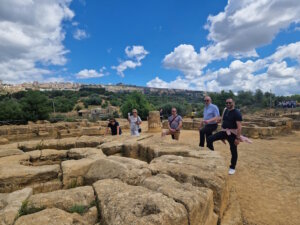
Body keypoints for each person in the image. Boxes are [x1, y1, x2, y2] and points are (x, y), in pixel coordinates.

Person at [207, 98, 242, 175]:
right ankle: (212, 157)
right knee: (209, 139)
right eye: (227, 103)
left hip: (232, 134)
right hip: (224, 132)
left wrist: (237, 138)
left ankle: (232, 167)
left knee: (233, 150)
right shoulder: (225, 110)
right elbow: (223, 120)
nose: (228, 104)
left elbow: (239, 127)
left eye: (230, 103)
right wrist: (219, 120)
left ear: (233, 103)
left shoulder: (237, 113)